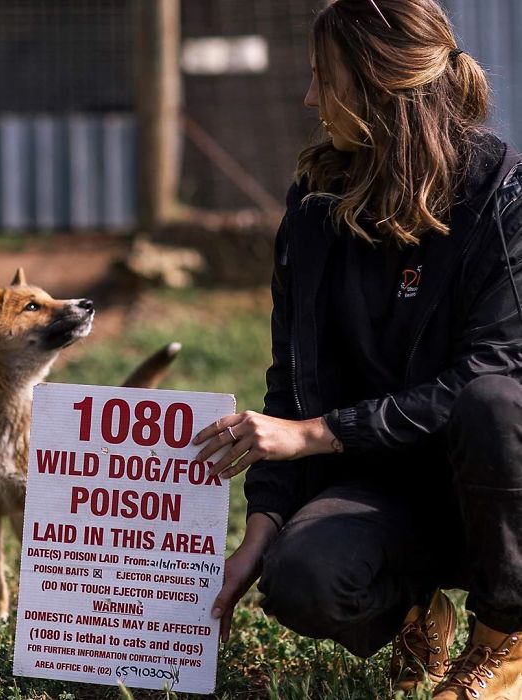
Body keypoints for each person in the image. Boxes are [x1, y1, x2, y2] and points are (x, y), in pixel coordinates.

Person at [192, 0, 522, 697]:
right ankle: (413, 612)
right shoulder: (314, 208)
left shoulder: (502, 199)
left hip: (499, 492)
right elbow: (291, 387)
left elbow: (488, 375)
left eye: (324, 78)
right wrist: (259, 537)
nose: (311, 98)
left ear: (378, 86)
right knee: (301, 580)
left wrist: (316, 434)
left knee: (493, 405)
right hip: (386, 487)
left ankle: (505, 637)